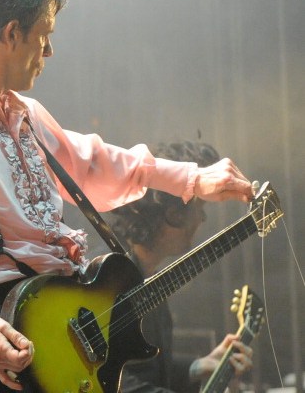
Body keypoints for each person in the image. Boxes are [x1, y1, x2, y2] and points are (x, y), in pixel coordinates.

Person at [0, 0, 253, 392]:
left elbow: (92, 163)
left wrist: (192, 179)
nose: (49, 50)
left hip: (66, 342)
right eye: (44, 34)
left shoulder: (25, 113)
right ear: (12, 33)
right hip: (3, 362)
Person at [108, 141, 254, 393]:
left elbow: (146, 369)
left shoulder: (153, 280)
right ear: (174, 213)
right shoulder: (105, 278)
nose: (203, 218)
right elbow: (112, 382)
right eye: (200, 208)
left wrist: (199, 365)